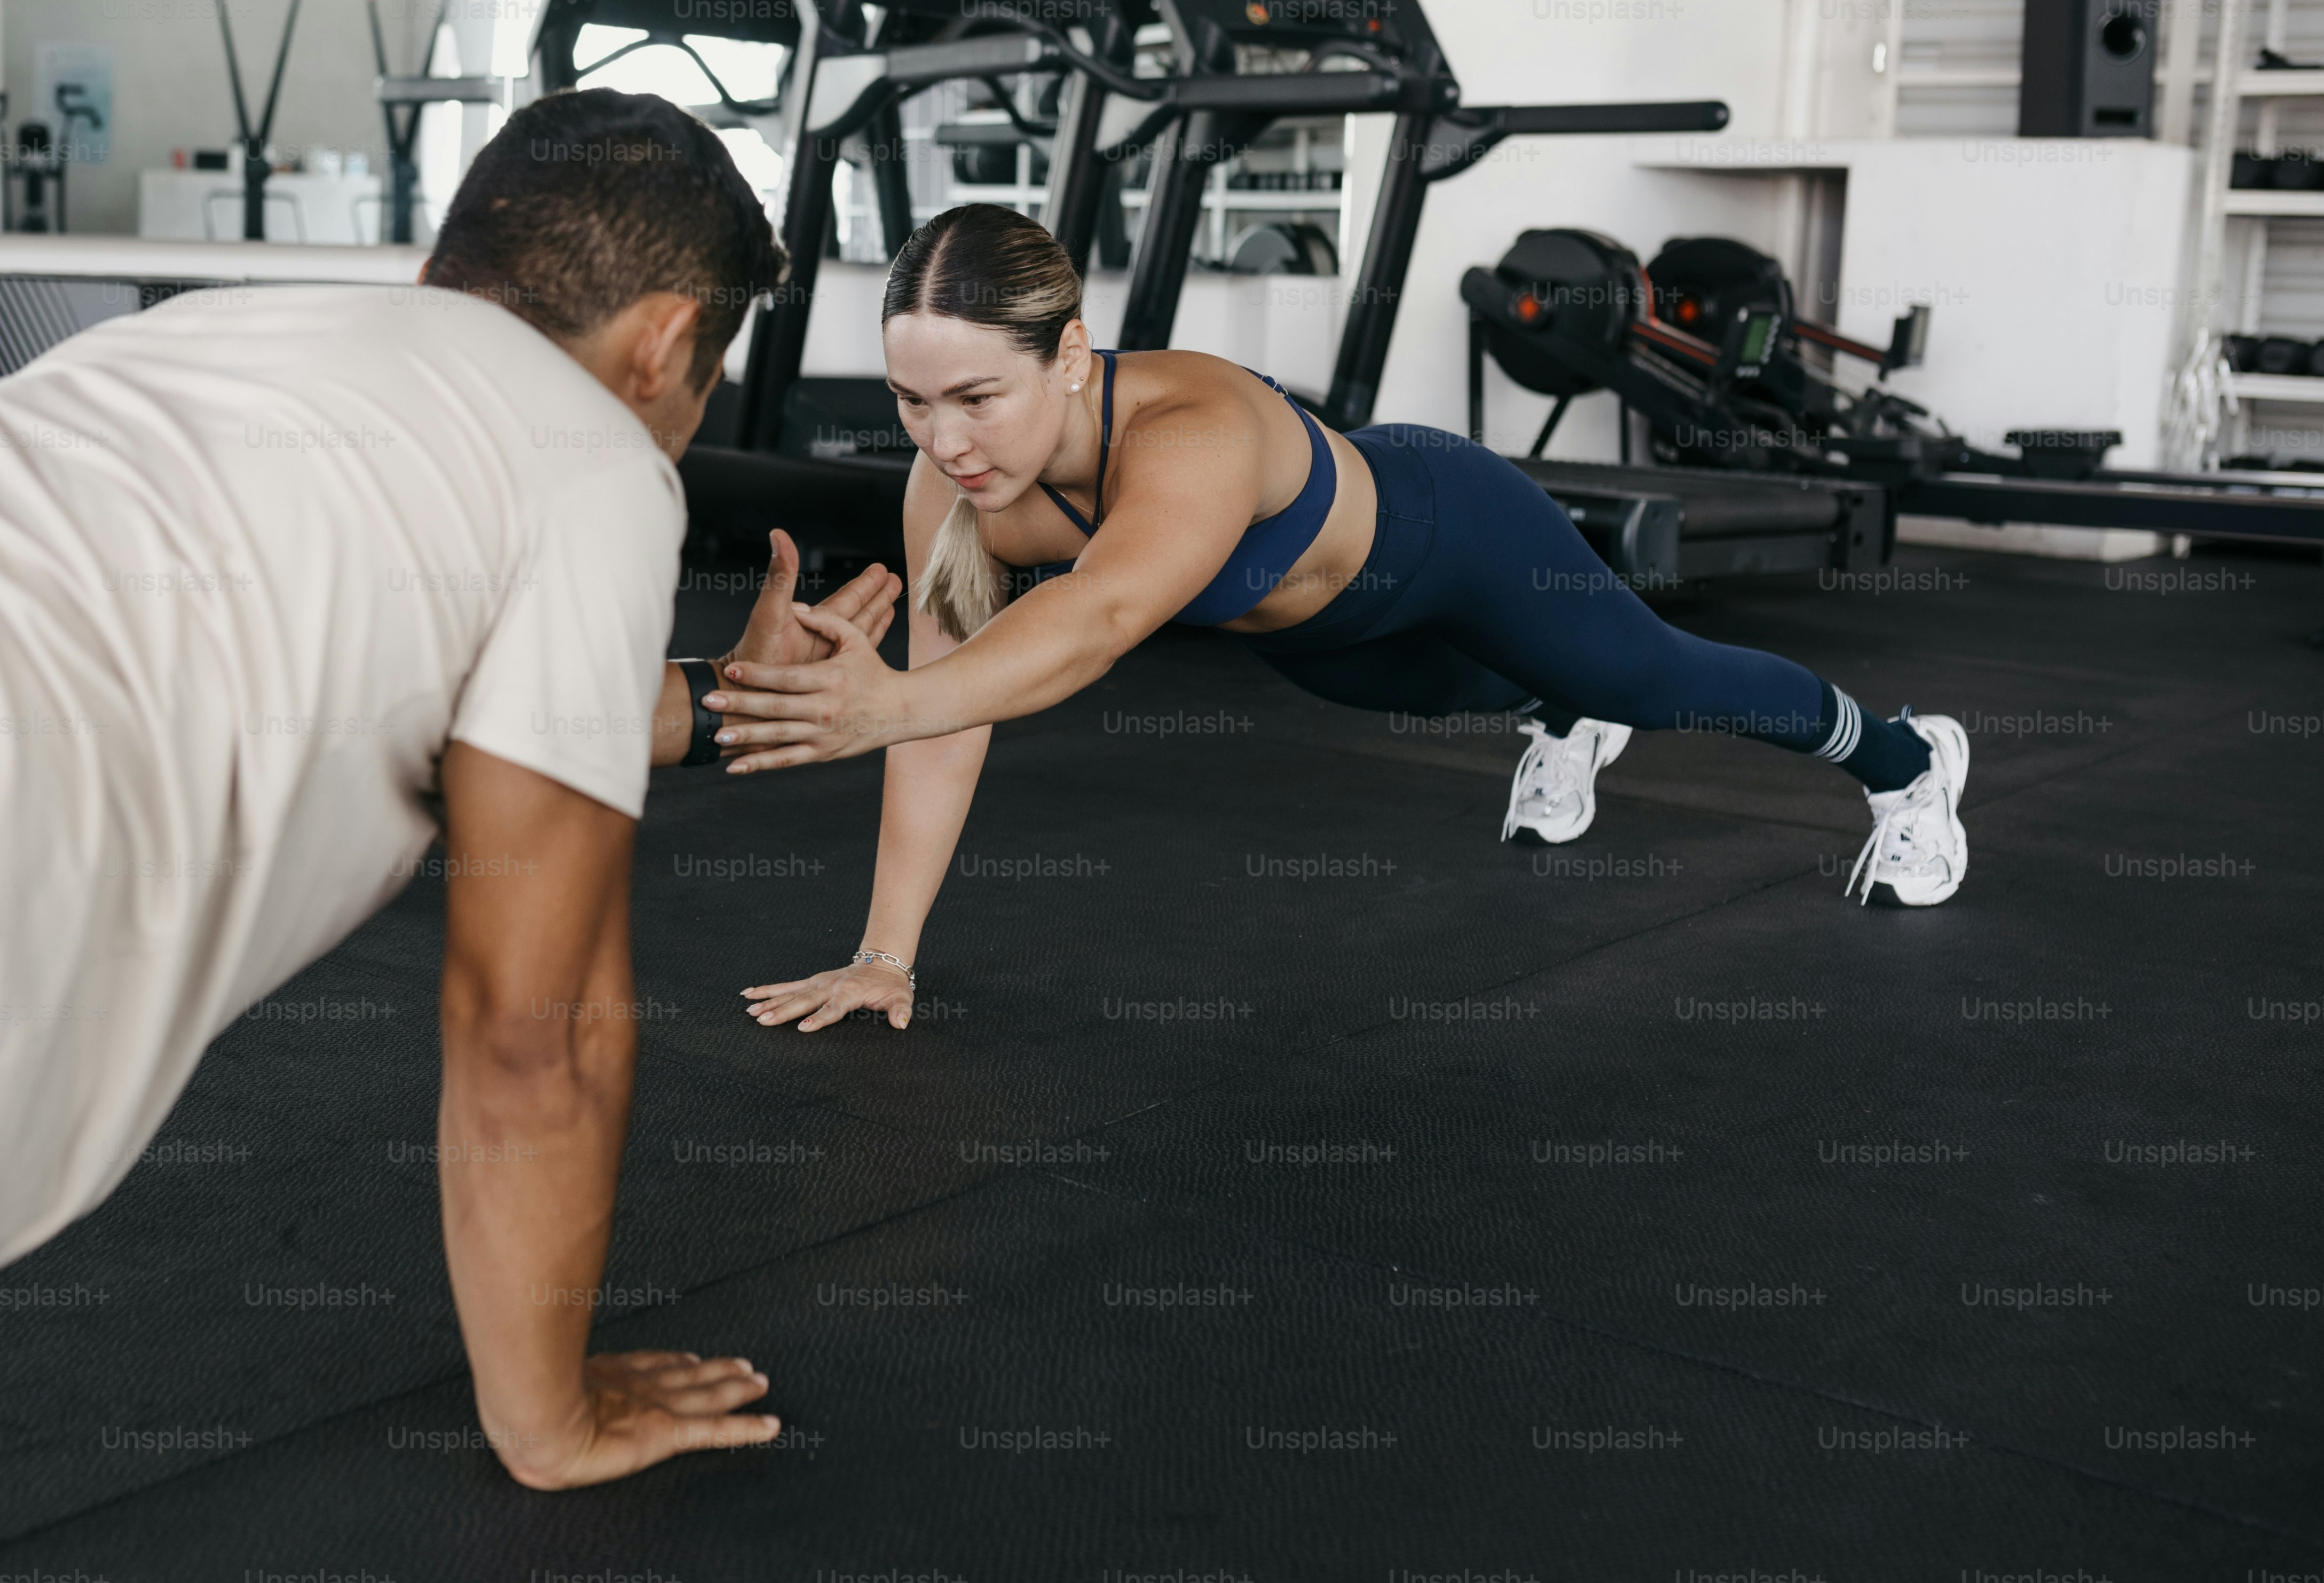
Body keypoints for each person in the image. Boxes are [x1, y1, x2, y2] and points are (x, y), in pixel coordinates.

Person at [0, 89, 901, 1492]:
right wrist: (552, 1414)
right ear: (663, 346)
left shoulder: (227, 329)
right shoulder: (595, 461)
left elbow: (445, 697)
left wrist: (722, 699)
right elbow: (539, 1031)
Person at [715, 204, 1970, 1035]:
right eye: (909, 399)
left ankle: (1906, 758)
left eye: (975, 396)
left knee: (1649, 676)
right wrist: (887, 954)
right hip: (1320, 643)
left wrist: (885, 700)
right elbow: (953, 710)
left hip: (1453, 534)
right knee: (1485, 695)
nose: (941, 439)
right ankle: (1556, 716)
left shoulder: (1190, 431)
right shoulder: (949, 488)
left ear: (1071, 355)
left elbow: (1095, 619)